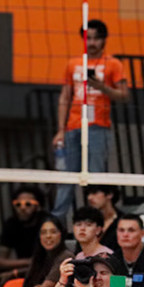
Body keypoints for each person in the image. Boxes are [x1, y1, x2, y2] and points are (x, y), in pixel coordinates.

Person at [52, 20, 130, 219]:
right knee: (66, 179)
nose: (92, 42)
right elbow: (65, 96)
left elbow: (124, 95)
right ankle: (57, 222)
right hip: (72, 128)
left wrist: (102, 87)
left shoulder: (113, 64)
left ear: (104, 40)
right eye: (88, 38)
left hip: (98, 128)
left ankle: (97, 220)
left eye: (96, 38)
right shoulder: (74, 64)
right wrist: (60, 130)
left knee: (96, 178)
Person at [14, 215, 71, 287]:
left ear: (61, 234)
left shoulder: (65, 256)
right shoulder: (39, 257)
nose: (48, 236)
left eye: (53, 232)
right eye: (43, 232)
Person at [0, 185, 45, 277]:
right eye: (18, 204)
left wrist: (15, 272)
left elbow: (51, 262)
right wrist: (29, 261)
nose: (22, 208)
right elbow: (0, 261)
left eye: (28, 204)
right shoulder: (12, 224)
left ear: (38, 207)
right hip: (25, 269)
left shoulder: (47, 223)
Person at [84, 184, 122, 252]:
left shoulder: (123, 221)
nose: (89, 197)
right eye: (88, 193)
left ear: (109, 194)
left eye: (94, 193)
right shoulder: (86, 221)